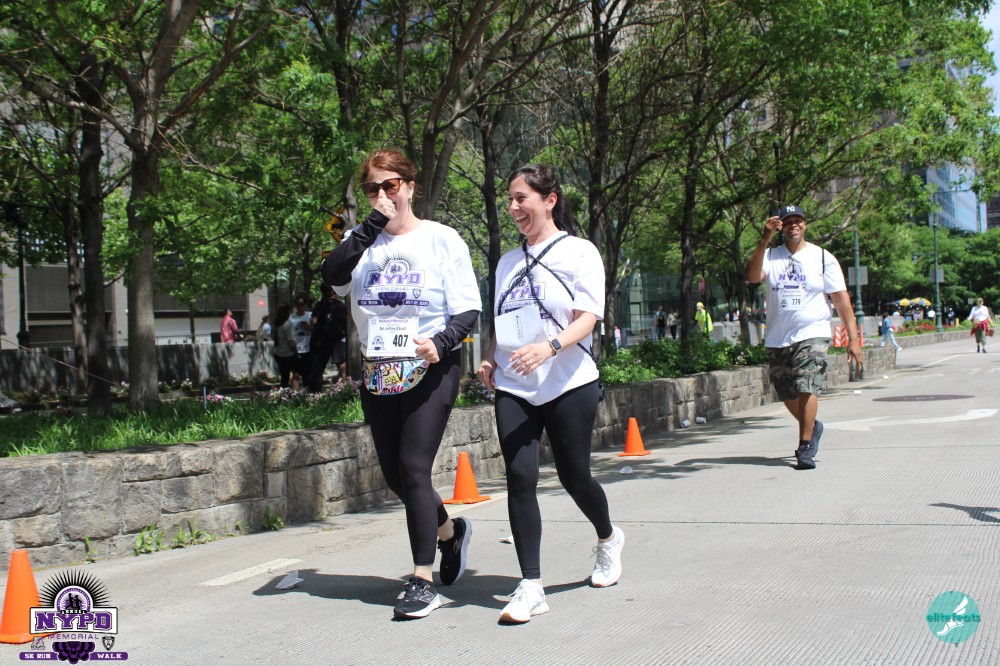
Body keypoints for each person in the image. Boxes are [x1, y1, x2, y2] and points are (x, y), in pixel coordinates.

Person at [320, 149, 481, 620]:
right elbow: (332, 276)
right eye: (372, 188)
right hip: (379, 369)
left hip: (431, 365)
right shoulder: (359, 241)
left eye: (390, 185)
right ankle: (450, 533)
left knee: (413, 469)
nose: (382, 194)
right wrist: (371, 225)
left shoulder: (441, 239)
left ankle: (421, 580)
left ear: (410, 186)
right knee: (395, 477)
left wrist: (441, 342)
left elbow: (468, 309)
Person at [477, 164, 623, 625]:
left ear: (550, 200)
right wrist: (489, 357)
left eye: (522, 198)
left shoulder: (579, 252)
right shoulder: (507, 261)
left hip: (568, 381)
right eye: (510, 199)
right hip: (515, 384)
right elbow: (503, 320)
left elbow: (588, 317)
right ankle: (531, 585)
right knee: (519, 478)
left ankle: (608, 537)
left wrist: (550, 347)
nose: (513, 207)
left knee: (574, 476)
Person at [745, 205, 862, 470]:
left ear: (805, 225)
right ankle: (813, 425)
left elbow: (841, 300)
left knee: (807, 383)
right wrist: (764, 238)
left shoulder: (822, 257)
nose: (793, 225)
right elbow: (752, 277)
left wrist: (853, 340)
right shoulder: (771, 255)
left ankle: (805, 445)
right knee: (785, 390)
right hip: (778, 335)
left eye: (798, 221)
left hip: (813, 331)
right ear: (781, 227)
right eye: (788, 222)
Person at [308, 284, 347, 390]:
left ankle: (315, 391)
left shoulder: (321, 304)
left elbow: (313, 321)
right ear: (334, 291)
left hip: (318, 341)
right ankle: (343, 389)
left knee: (317, 369)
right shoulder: (341, 305)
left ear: (322, 292)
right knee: (341, 365)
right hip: (334, 341)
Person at [272, 303, 302, 389]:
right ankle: (296, 393)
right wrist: (296, 353)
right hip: (288, 354)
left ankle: (284, 393)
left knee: (284, 377)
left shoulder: (277, 324)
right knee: (301, 373)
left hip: (279, 353)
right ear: (288, 312)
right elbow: (291, 342)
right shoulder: (288, 324)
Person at [289, 295, 313, 376]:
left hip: (308, 349)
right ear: (295, 306)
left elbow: (317, 330)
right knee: (296, 374)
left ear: (305, 305)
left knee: (309, 373)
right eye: (298, 306)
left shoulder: (310, 315)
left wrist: (309, 327)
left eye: (303, 305)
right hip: (296, 349)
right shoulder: (291, 317)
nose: (301, 308)